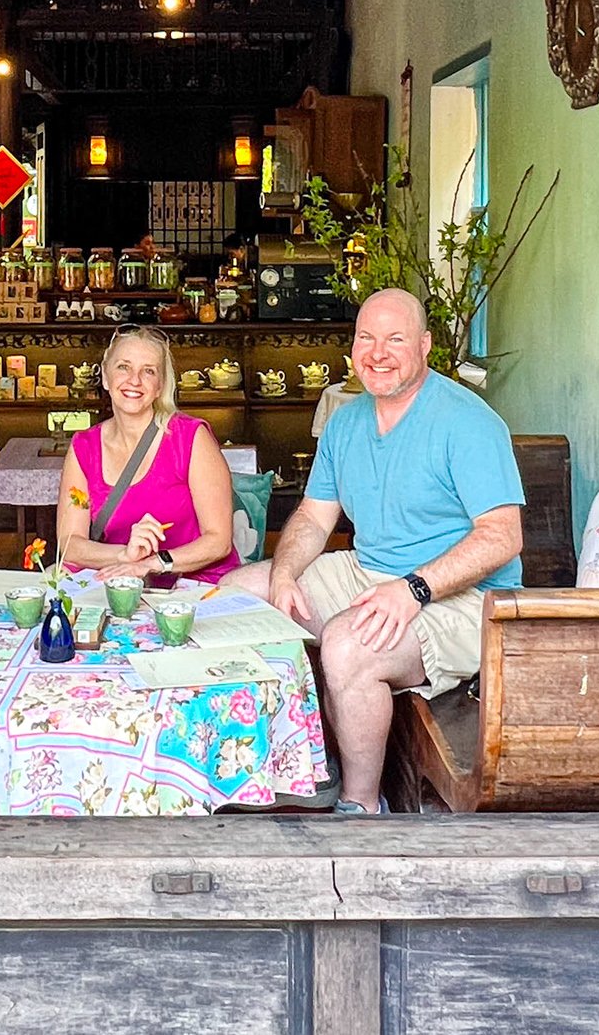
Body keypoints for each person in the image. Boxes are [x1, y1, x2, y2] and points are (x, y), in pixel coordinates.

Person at [224, 287, 523, 814]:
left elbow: (503, 535)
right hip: (371, 572)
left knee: (347, 646)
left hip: (467, 598)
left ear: (426, 346)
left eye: (395, 339)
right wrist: (286, 573)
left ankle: (361, 808)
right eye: (367, 337)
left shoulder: (467, 422)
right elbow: (316, 517)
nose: (378, 352)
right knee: (239, 595)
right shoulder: (347, 421)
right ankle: (279, 759)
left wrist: (414, 590)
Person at [52, 324, 239, 585]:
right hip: (123, 585)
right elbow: (70, 544)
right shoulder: (84, 447)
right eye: (123, 367)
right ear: (105, 376)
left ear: (161, 385)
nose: (135, 380)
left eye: (148, 371)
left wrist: (154, 562)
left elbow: (219, 542)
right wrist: (126, 555)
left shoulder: (191, 438)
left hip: (194, 586)